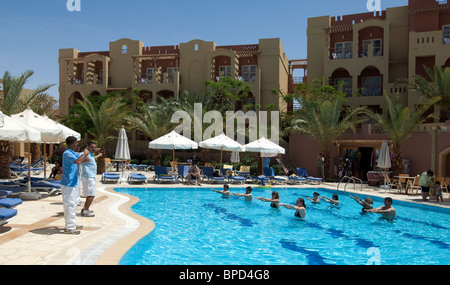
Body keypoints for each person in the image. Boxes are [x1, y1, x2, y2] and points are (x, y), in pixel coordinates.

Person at [60, 136, 90, 235]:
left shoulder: (73, 153)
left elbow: (86, 160)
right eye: (77, 143)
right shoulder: (67, 153)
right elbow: (78, 161)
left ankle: (72, 224)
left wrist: (84, 157)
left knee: (73, 204)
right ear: (73, 143)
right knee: (69, 205)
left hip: (73, 182)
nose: (78, 145)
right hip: (68, 183)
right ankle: (70, 227)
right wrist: (84, 154)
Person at [80, 142, 102, 217]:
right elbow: (79, 159)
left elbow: (91, 158)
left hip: (90, 176)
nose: (94, 149)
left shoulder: (91, 154)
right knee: (91, 195)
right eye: (92, 147)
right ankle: (85, 211)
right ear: (88, 147)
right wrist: (84, 156)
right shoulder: (85, 154)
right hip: (88, 177)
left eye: (94, 147)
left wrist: (97, 151)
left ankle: (85, 208)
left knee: (89, 194)